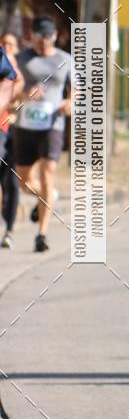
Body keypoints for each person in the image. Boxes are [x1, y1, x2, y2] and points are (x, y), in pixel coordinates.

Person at [12, 16, 71, 252]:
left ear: (54, 35)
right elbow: (11, 93)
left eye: (46, 37)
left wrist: (70, 103)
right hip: (25, 126)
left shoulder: (65, 60)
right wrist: (25, 94)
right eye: (38, 37)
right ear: (32, 36)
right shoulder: (20, 59)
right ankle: (49, 196)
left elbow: (76, 91)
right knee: (24, 182)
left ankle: (42, 234)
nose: (42, 41)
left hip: (52, 125)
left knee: (48, 175)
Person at [0, 33, 21, 249]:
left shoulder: (18, 67)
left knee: (13, 182)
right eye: (3, 42)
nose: (6, 46)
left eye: (10, 43)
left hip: (12, 130)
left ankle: (10, 228)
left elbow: (23, 88)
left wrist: (14, 104)